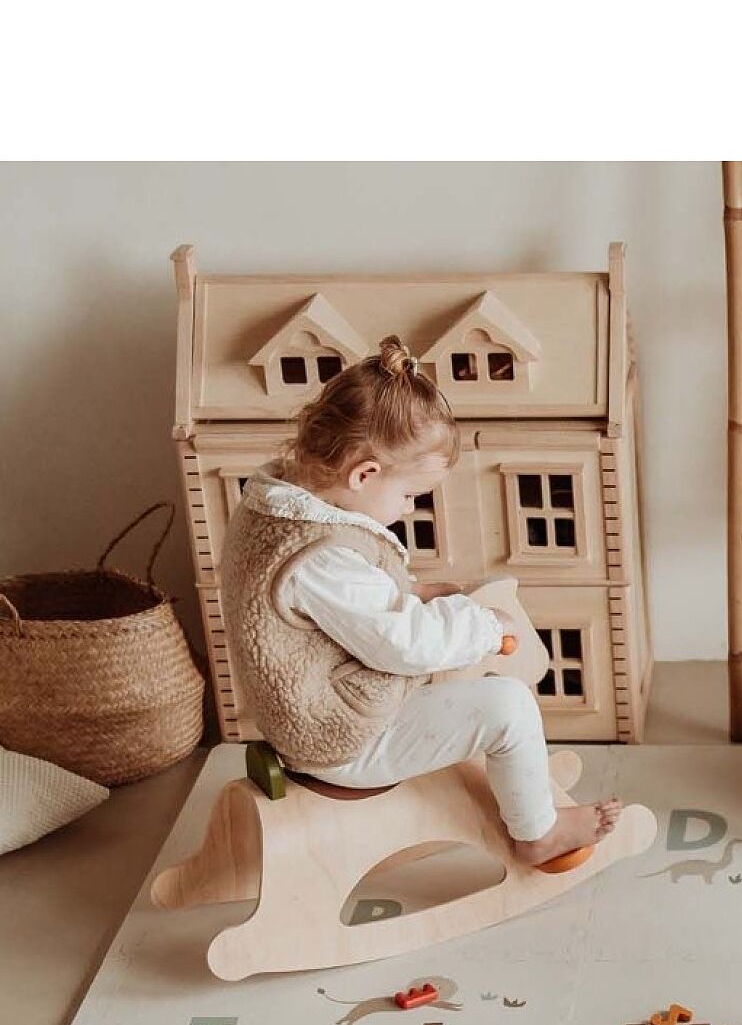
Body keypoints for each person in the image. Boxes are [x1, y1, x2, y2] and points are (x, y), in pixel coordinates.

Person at [219, 335, 619, 865]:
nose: (409, 511)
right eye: (410, 496)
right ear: (364, 474)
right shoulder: (321, 555)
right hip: (341, 737)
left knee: (451, 648)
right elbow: (403, 645)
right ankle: (537, 833)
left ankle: (508, 774)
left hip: (326, 699)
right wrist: (482, 625)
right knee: (509, 705)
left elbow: (340, 609)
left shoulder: (288, 508)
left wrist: (413, 592)